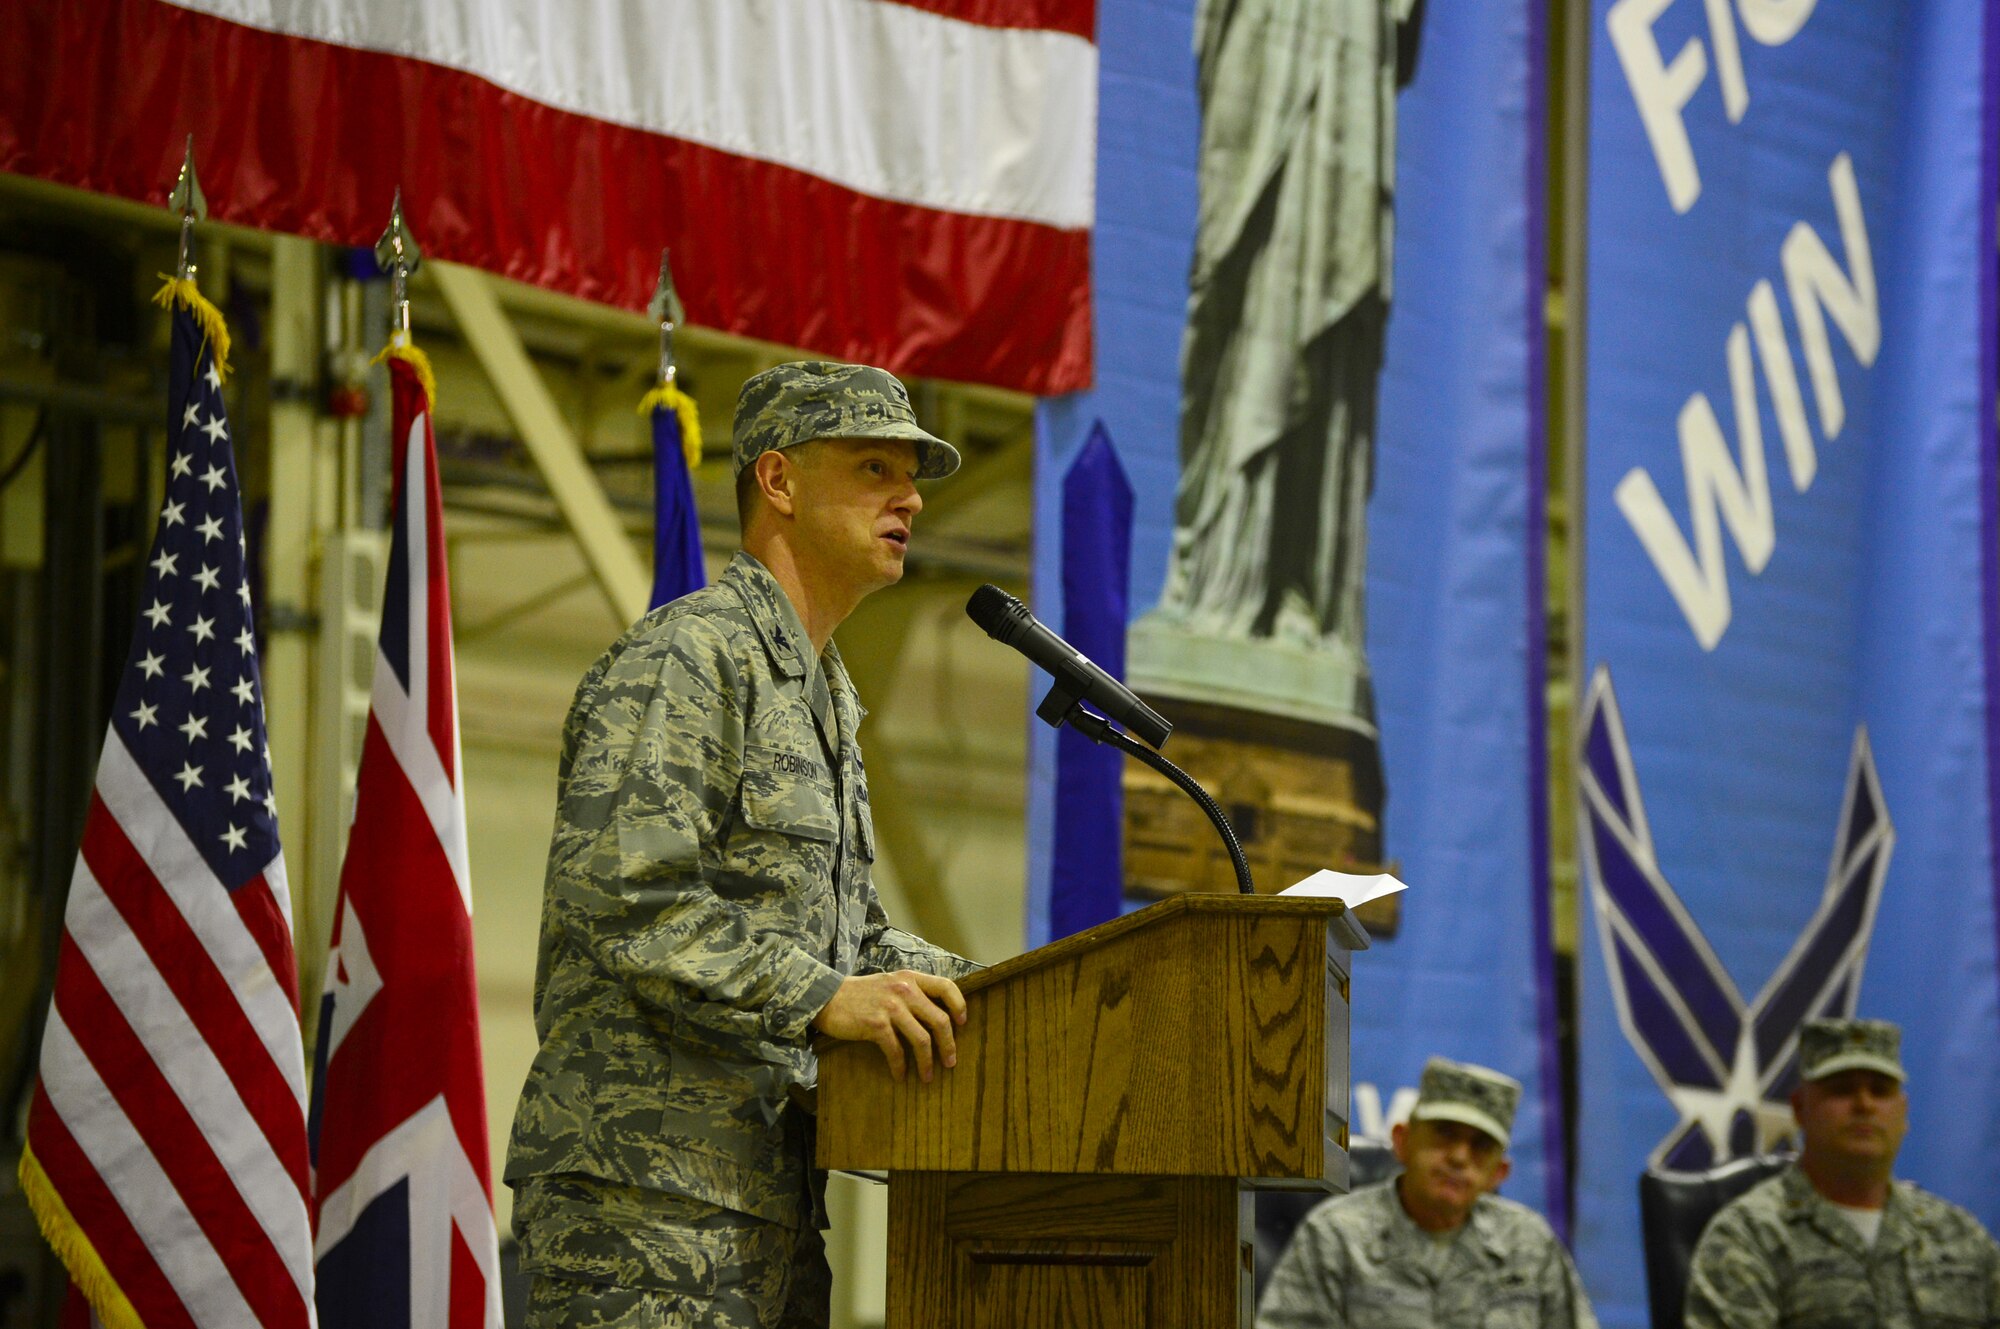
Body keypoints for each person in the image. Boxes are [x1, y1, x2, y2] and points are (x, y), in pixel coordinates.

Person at [505, 360, 983, 1329]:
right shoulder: (692, 657)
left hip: (766, 1217)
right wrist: (825, 998)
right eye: (872, 469)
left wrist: (1019, 997)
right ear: (778, 482)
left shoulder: (822, 699)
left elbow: (854, 950)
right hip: (644, 1213)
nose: (910, 498)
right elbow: (625, 896)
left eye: (910, 474)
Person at [1685, 1017, 2000, 1328]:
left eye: (1880, 1090)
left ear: (1903, 1112)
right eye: (1841, 1090)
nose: (1864, 1104)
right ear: (1800, 1109)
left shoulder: (1960, 1238)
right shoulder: (1749, 1238)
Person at [1258, 1057, 1596, 1329]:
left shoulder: (1529, 1244)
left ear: (1498, 1173)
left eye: (1480, 1146)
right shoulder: (1336, 1235)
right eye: (1444, 1134)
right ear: (1402, 1141)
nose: (1459, 1157)